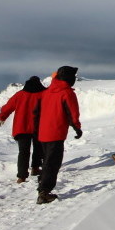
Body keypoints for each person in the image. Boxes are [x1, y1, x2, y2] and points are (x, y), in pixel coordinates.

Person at [34, 66, 82, 204]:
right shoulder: (67, 93)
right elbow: (72, 113)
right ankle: (44, 192)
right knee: (53, 163)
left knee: (47, 160)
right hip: (56, 132)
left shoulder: (47, 92)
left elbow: (36, 111)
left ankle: (42, 183)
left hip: (43, 132)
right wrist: (77, 128)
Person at [0, 76, 46, 183]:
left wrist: (2, 117)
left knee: (23, 152)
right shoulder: (44, 94)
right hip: (38, 126)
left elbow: (8, 107)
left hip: (21, 126)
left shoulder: (20, 94)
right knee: (38, 148)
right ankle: (35, 168)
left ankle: (22, 176)